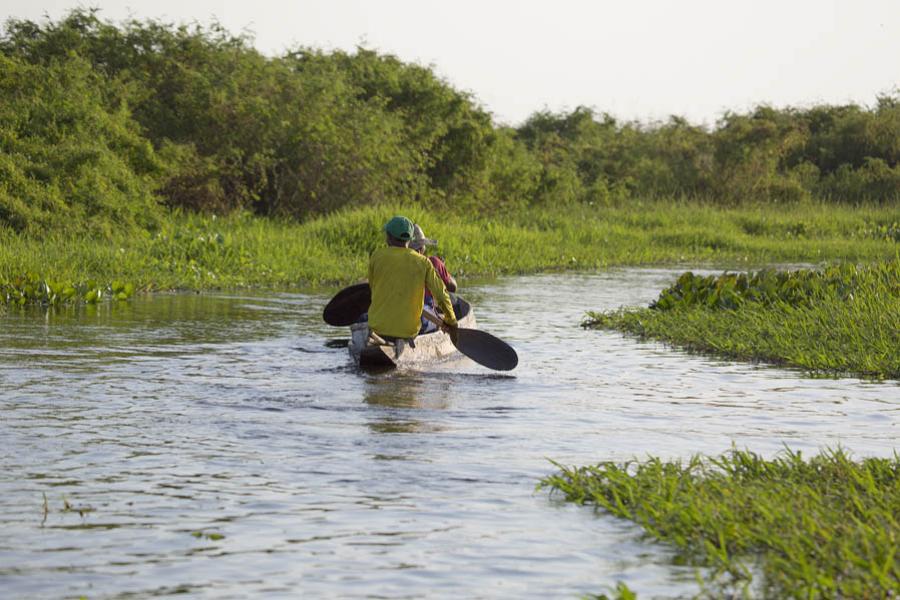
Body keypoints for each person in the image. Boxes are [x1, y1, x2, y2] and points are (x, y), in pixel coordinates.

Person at [367, 216, 457, 345]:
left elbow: (373, 289)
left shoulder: (376, 257)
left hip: (377, 329)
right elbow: (442, 297)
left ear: (388, 237)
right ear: (409, 240)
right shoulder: (423, 262)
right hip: (407, 332)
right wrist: (451, 322)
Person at [410, 224, 457, 333]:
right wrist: (442, 268)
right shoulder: (432, 262)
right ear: (421, 248)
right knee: (452, 301)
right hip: (421, 315)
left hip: (399, 312)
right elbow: (452, 287)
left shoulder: (396, 263)